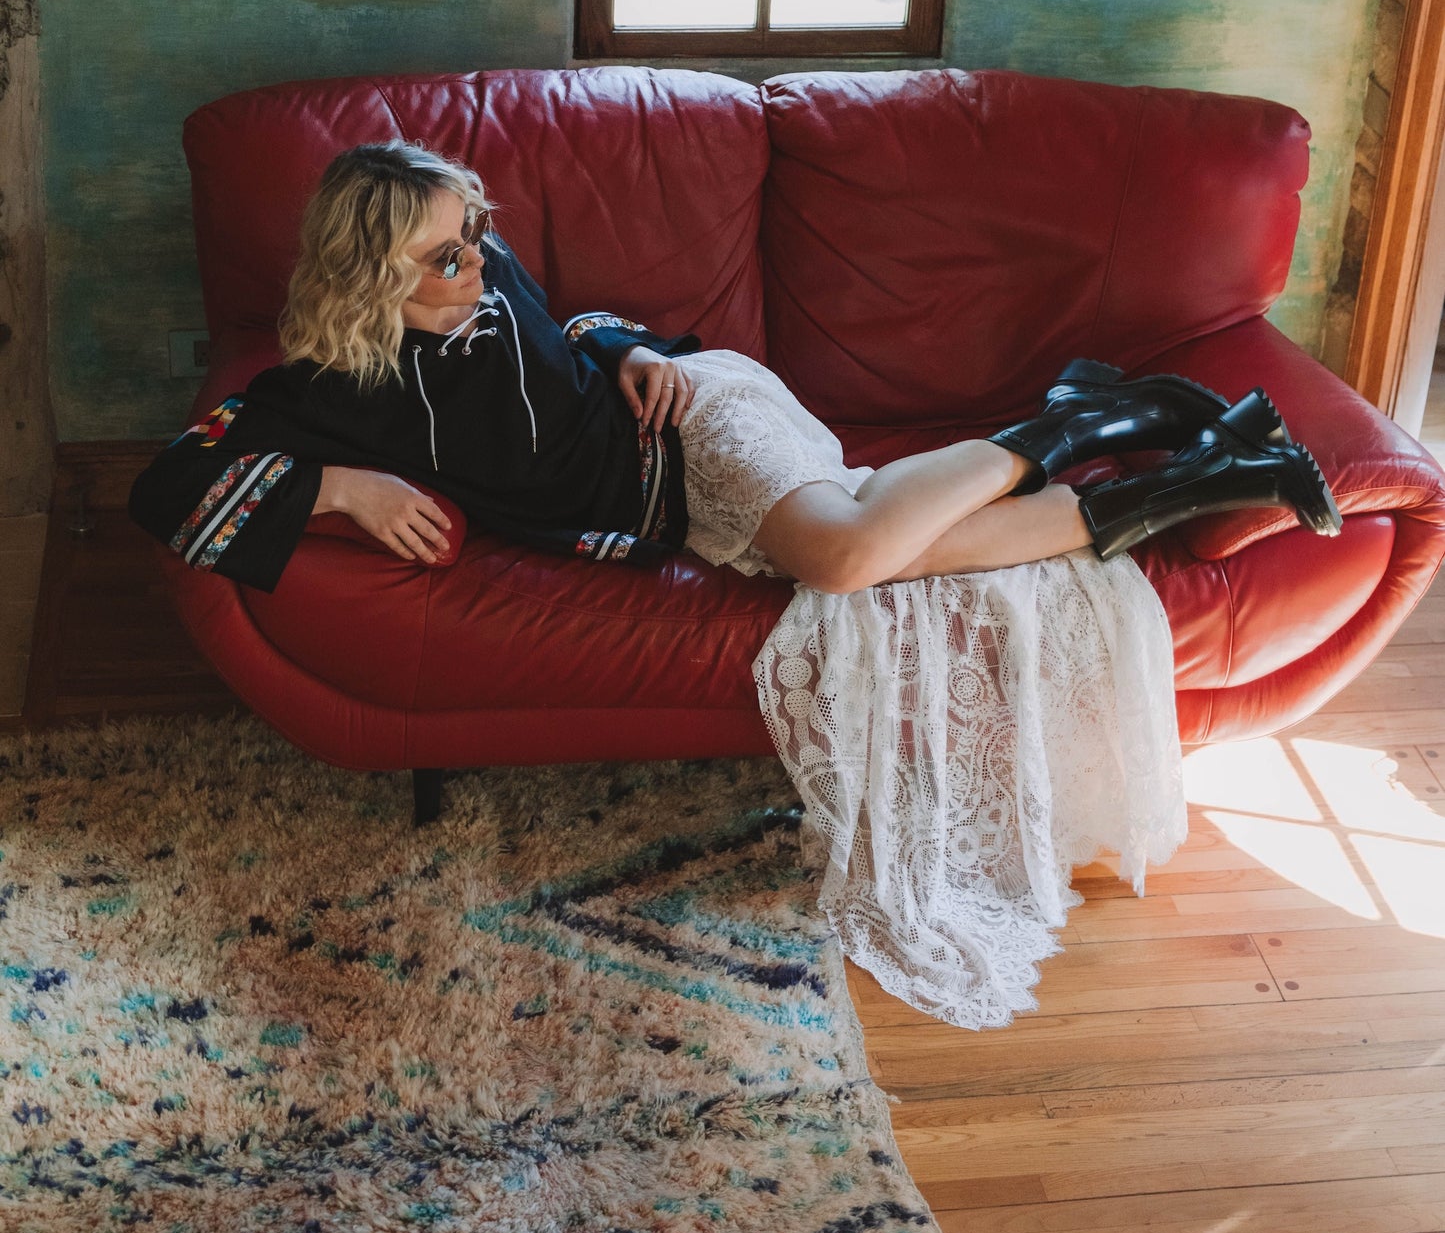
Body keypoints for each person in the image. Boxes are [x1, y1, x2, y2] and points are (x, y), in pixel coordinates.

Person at [131, 140, 1342, 1027]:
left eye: (477, 230)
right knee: (879, 543)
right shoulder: (327, 392)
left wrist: (630, 347)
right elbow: (170, 482)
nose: (480, 260)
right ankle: (1188, 473)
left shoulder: (490, 275)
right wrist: (339, 486)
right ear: (368, 279)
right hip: (677, 504)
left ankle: (1088, 417)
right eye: (445, 254)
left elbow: (575, 330)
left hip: (705, 422)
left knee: (844, 556)